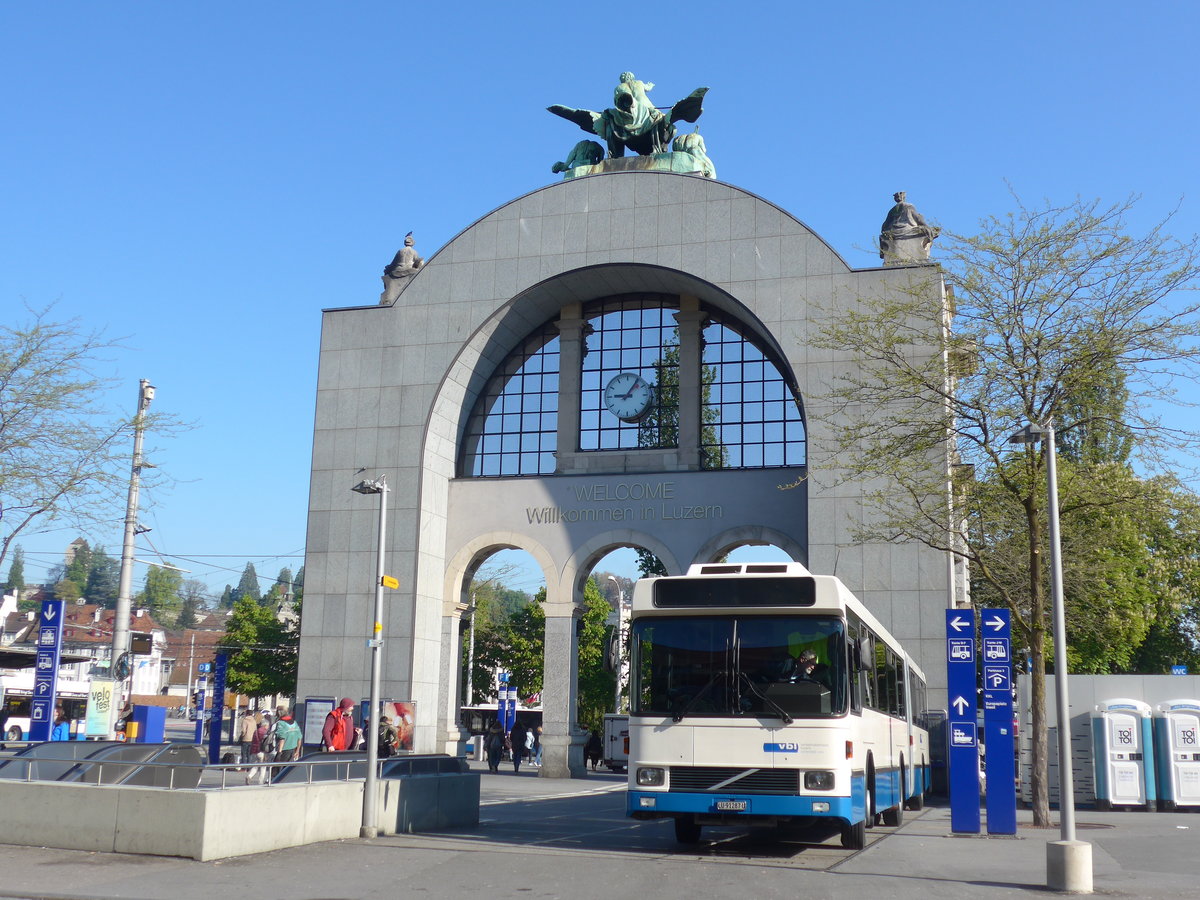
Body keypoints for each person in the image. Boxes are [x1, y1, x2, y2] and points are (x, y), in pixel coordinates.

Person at [245, 712, 269, 784]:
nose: (268, 726)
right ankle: (260, 781)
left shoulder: (256, 731)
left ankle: (249, 776)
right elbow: (265, 742)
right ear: (265, 725)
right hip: (262, 751)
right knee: (263, 767)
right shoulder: (264, 732)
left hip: (254, 751)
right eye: (268, 725)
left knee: (255, 766)